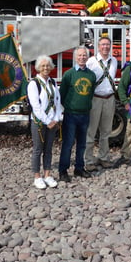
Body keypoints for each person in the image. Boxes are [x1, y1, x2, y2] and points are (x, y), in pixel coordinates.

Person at [58, 46, 96, 182]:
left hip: (85, 114)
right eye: (79, 55)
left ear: (87, 57)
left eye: (84, 55)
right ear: (75, 57)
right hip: (71, 115)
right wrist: (69, 107)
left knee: (82, 144)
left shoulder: (91, 75)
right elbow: (61, 94)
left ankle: (79, 168)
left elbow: (90, 93)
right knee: (68, 144)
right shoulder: (69, 74)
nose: (82, 58)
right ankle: (63, 170)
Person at [28, 55, 63, 189]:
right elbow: (35, 106)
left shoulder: (53, 82)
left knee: (48, 149)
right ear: (38, 67)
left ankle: (47, 175)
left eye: (48, 65)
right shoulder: (34, 84)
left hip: (52, 121)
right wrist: (47, 120)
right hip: (39, 122)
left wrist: (57, 118)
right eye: (43, 66)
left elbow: (57, 101)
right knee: (38, 149)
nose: (45, 68)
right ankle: (37, 177)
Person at [85, 36, 118, 170]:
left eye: (107, 44)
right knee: (91, 132)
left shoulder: (114, 61)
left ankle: (103, 158)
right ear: (98, 47)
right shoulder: (91, 62)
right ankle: (88, 160)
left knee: (106, 131)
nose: (105, 47)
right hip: (95, 99)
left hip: (109, 99)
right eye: (103, 44)